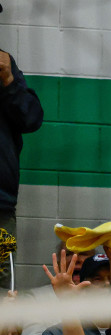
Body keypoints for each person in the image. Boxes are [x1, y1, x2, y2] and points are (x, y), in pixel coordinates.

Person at [0, 46, 44, 237]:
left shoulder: (4, 63)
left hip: (2, 207)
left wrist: (9, 80)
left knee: (4, 266)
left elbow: (32, 119)